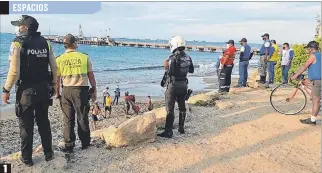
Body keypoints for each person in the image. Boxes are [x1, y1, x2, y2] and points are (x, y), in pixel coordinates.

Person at [2, 15, 57, 166]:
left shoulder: (17, 43)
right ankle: (48, 153)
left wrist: (6, 89)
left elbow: (14, 71)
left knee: (26, 126)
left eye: (19, 25)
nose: (17, 28)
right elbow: (54, 67)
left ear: (25, 27)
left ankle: (27, 158)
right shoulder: (46, 43)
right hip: (44, 90)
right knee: (44, 123)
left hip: (26, 92)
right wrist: (54, 85)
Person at [55, 34, 97, 153]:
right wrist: (94, 89)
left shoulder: (59, 59)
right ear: (74, 44)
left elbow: (57, 79)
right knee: (82, 117)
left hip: (66, 91)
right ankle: (85, 143)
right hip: (80, 90)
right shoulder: (84, 57)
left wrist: (57, 93)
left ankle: (69, 144)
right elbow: (91, 75)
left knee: (68, 119)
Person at [157, 36, 194, 138]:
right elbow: (191, 70)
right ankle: (181, 128)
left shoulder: (171, 59)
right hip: (183, 85)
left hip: (172, 86)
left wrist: (166, 67)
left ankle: (168, 131)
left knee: (170, 109)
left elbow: (169, 73)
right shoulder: (188, 57)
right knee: (182, 107)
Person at [291, 41, 321, 125]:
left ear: (310, 48)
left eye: (307, 48)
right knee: (306, 82)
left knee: (316, 100)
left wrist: (295, 76)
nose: (307, 50)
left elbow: (305, 66)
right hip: (317, 79)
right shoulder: (320, 54)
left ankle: (312, 120)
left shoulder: (313, 55)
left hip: (318, 81)